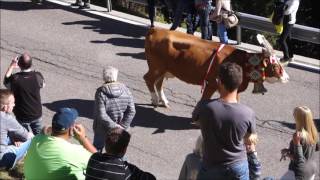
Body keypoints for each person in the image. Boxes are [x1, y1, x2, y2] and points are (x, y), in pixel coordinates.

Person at [193, 62, 256, 180]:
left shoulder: (204, 107)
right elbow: (249, 138)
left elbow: (196, 120)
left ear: (219, 82)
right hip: (238, 166)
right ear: (240, 83)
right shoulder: (248, 113)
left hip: (211, 165)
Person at [24, 108, 97, 180]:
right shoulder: (75, 152)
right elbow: (101, 163)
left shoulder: (37, 139)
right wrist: (83, 139)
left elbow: (44, 129)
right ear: (71, 129)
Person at [85, 127, 156, 180]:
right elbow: (151, 178)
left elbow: (96, 153)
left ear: (105, 145)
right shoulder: (127, 169)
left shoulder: (93, 159)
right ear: (125, 150)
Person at [93, 66, 136, 152]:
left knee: (96, 149)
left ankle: (96, 164)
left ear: (104, 77)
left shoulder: (100, 93)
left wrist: (115, 127)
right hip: (121, 131)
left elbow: (102, 115)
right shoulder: (126, 90)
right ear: (116, 76)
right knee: (118, 151)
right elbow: (131, 111)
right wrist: (121, 127)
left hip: (102, 129)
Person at [3, 53, 45, 135]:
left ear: (18, 64)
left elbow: (6, 81)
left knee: (24, 138)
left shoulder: (15, 79)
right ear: (31, 64)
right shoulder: (37, 76)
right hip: (36, 114)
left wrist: (11, 66)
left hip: (22, 116)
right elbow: (43, 85)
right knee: (40, 137)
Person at [280, 106, 319, 180]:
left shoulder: (298, 135)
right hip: (312, 168)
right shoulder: (314, 132)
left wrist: (288, 154)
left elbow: (298, 160)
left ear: (298, 119)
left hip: (299, 173)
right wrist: (290, 149)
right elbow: (316, 148)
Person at [0, 89, 33, 169]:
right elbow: (25, 136)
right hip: (2, 159)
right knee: (31, 138)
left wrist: (13, 136)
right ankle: (13, 164)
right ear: (5, 107)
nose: (14, 105)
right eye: (12, 103)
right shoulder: (7, 118)